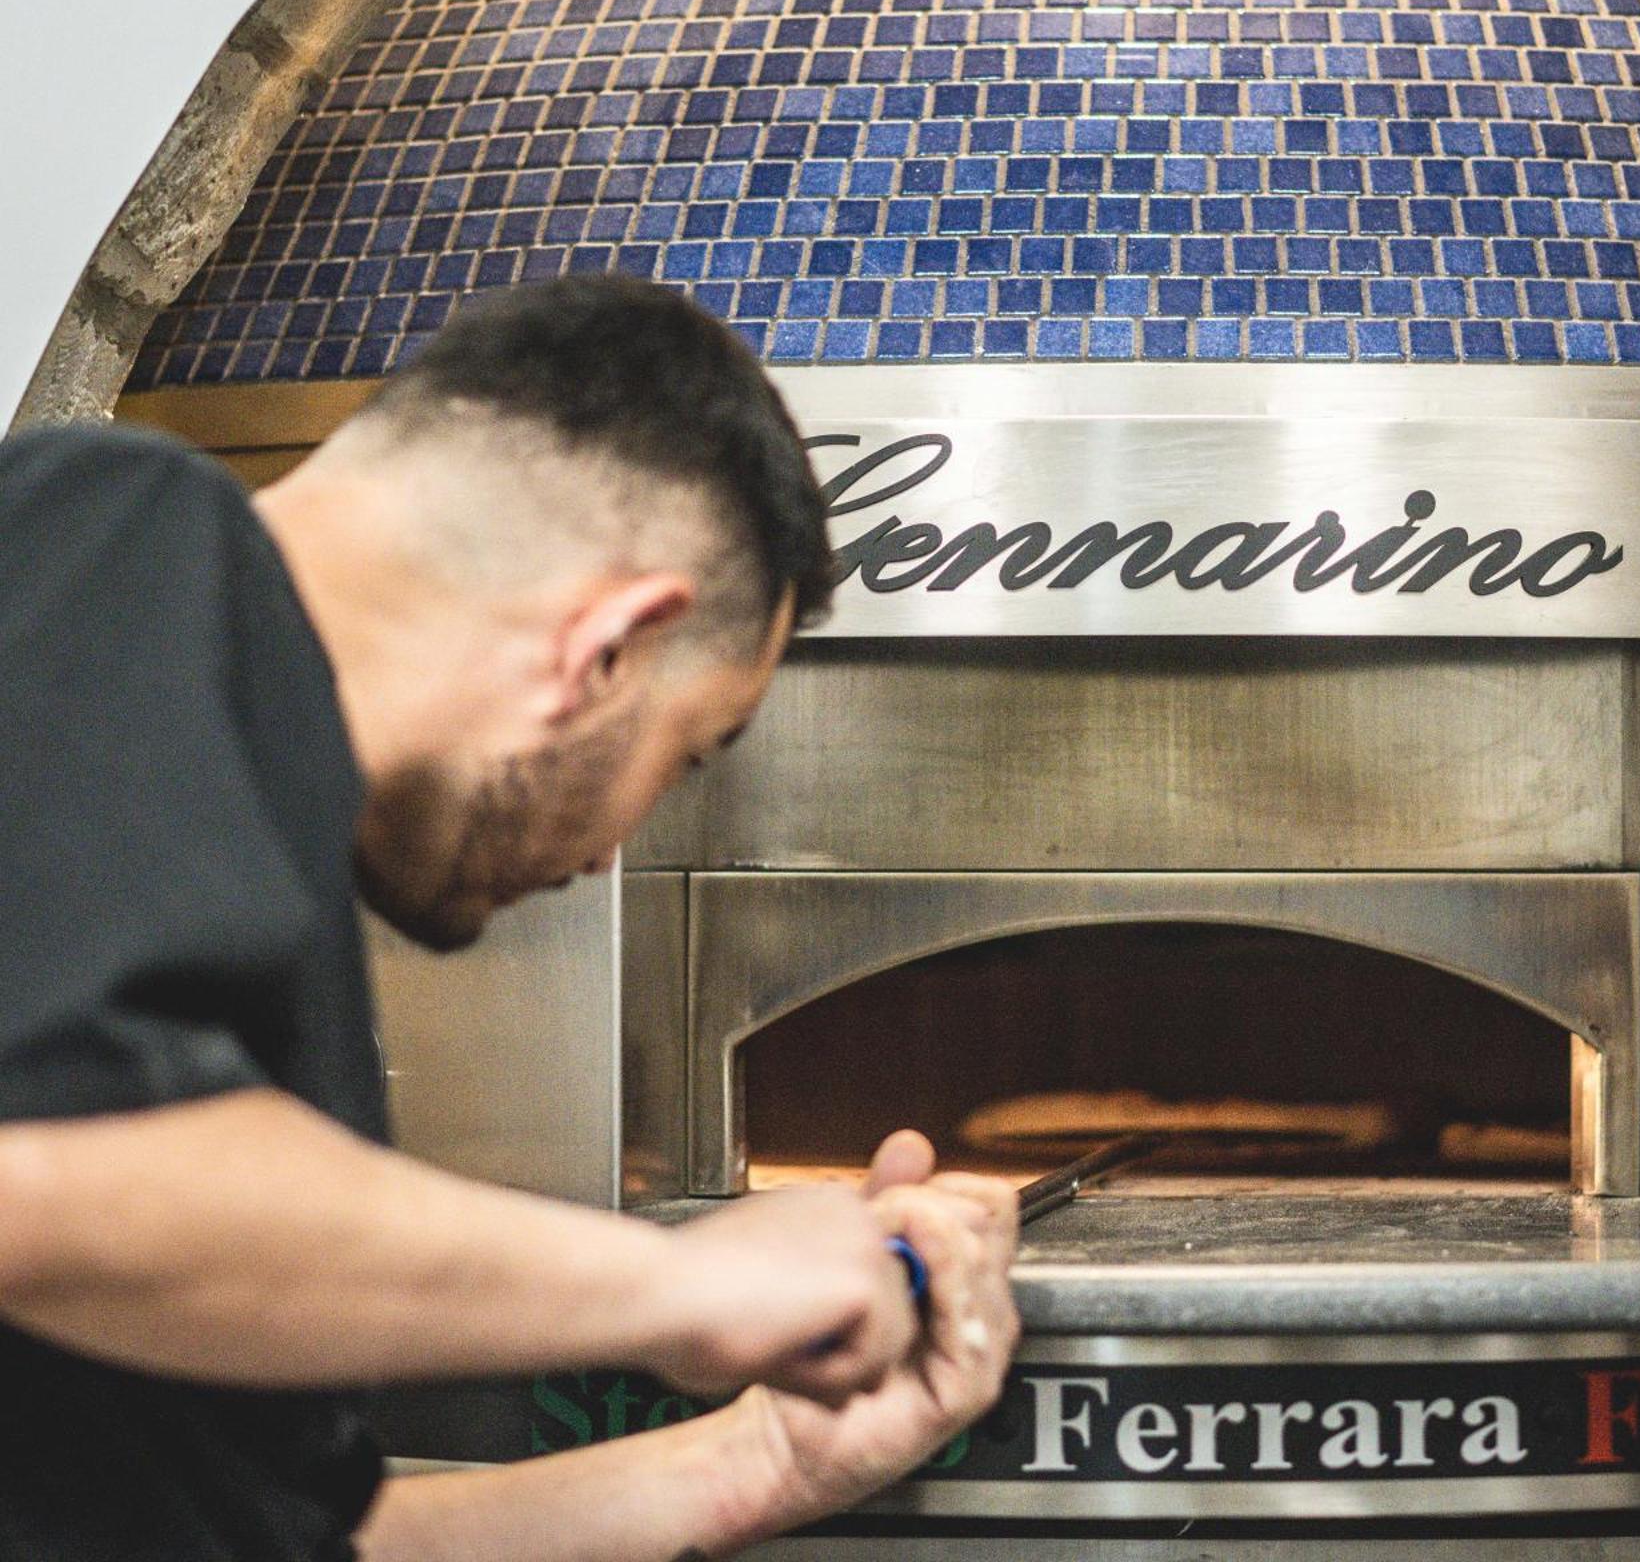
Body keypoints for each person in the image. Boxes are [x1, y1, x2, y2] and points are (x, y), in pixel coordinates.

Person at [0, 277, 1019, 1561]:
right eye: (688, 754)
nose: (607, 857)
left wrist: (756, 1459)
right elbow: (37, 1169)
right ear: (606, 647)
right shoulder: (116, 523)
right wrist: (685, 1283)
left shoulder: (252, 873)